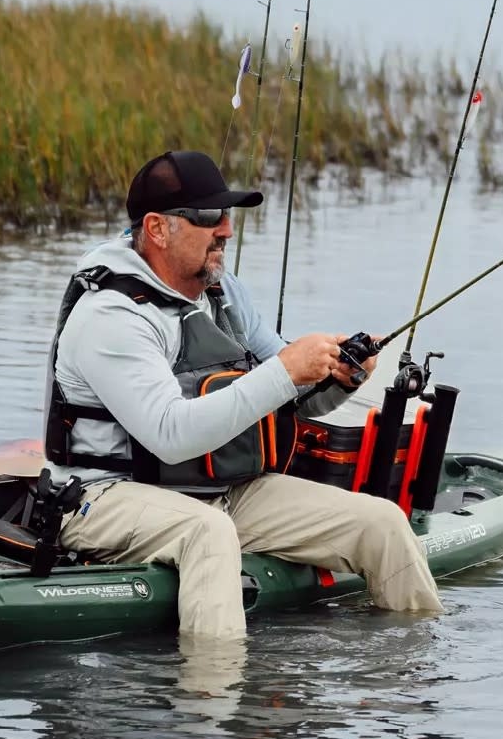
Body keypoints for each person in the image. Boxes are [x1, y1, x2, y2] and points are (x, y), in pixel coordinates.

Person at [46, 149, 442, 639]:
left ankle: (413, 686)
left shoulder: (224, 292)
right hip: (104, 497)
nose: (227, 230)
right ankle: (217, 706)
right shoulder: (111, 315)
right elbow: (170, 435)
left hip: (220, 489)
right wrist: (284, 369)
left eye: (228, 215)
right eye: (209, 217)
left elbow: (289, 397)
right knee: (209, 533)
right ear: (156, 228)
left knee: (381, 522)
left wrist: (339, 375)